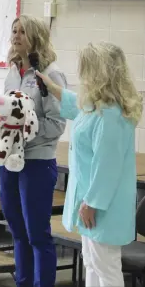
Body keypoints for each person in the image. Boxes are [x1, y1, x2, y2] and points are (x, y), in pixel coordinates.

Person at [35, 41, 143, 287]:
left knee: (106, 266)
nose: (81, 75)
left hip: (102, 206)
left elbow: (108, 166)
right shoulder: (98, 107)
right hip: (94, 203)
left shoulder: (111, 116)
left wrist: (92, 203)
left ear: (98, 73)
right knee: (93, 262)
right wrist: (53, 88)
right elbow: (78, 106)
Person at [0, 14, 67, 287]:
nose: (15, 36)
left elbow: (56, 124)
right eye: (14, 31)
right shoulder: (12, 73)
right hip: (10, 161)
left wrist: (23, 132)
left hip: (37, 162)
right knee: (17, 231)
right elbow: (11, 114)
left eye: (22, 32)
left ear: (36, 37)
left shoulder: (50, 75)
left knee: (37, 235)